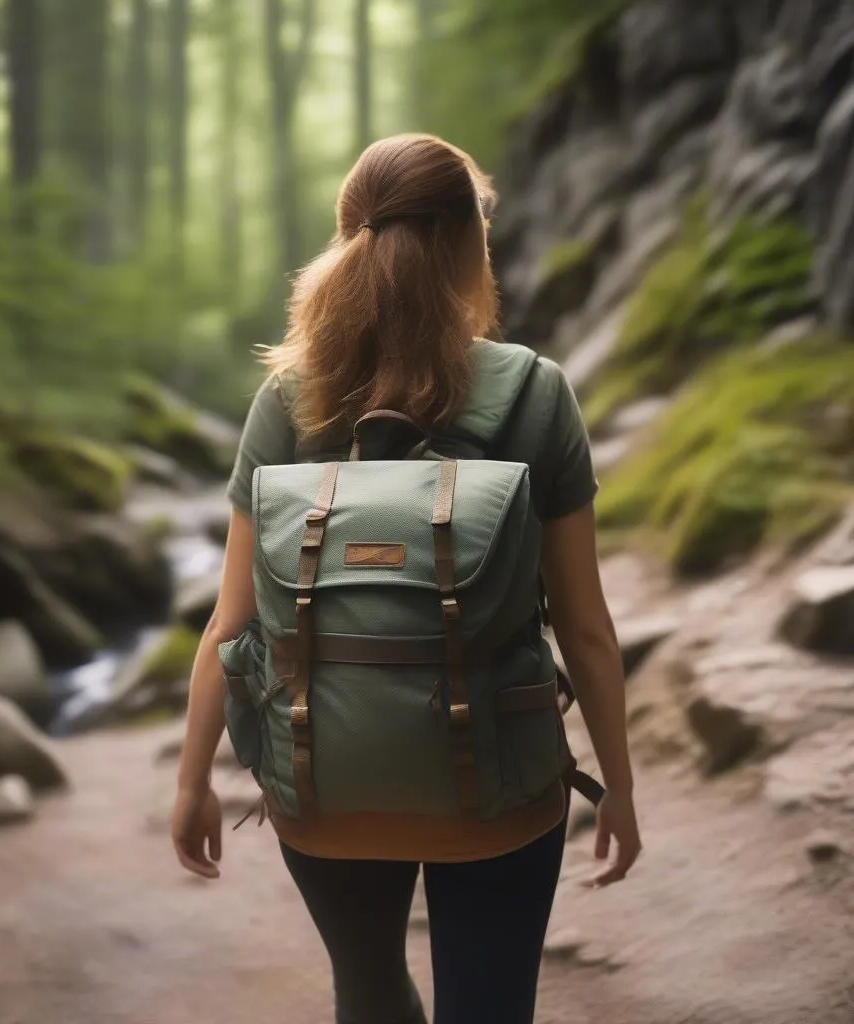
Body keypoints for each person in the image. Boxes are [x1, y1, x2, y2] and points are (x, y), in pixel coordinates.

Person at [171, 133, 641, 1024]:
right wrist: (618, 785)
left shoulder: (291, 397)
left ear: (347, 240)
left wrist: (194, 781)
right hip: (501, 779)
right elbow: (585, 628)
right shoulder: (536, 393)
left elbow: (230, 626)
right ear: (470, 244)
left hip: (323, 778)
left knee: (370, 987)